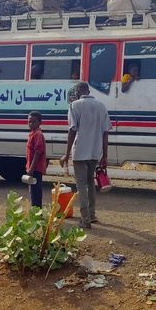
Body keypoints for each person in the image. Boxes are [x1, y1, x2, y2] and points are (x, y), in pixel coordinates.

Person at [60, 82, 112, 228]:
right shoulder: (101, 106)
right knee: (90, 182)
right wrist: (105, 155)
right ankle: (92, 214)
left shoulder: (74, 105)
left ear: (77, 92)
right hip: (95, 152)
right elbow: (105, 132)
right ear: (88, 91)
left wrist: (66, 154)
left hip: (80, 151)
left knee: (81, 184)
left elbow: (72, 131)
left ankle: (85, 219)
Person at [26, 111, 47, 208]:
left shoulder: (38, 134)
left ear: (39, 122)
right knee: (33, 191)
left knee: (35, 192)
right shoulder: (32, 134)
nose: (31, 124)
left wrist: (31, 168)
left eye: (33, 122)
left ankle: (37, 214)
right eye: (29, 121)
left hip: (36, 169)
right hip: (32, 168)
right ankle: (36, 213)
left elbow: (38, 152)